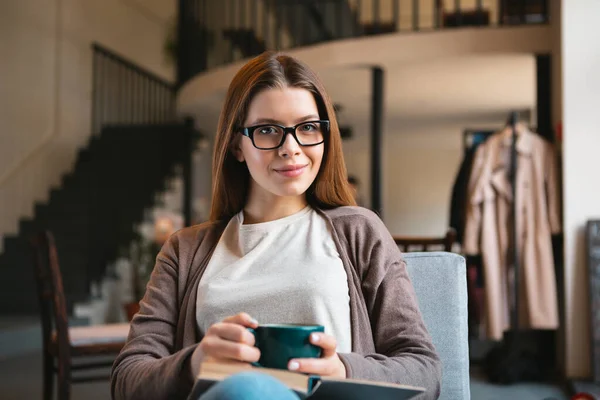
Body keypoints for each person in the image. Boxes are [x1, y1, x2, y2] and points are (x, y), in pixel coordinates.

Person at [111, 51, 441, 400]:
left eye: (308, 127)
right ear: (237, 144)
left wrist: (344, 370)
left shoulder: (360, 232)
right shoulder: (186, 250)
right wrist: (196, 363)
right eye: (267, 130)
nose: (291, 148)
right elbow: (127, 379)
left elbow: (425, 370)